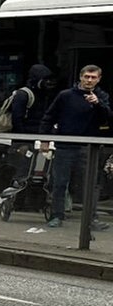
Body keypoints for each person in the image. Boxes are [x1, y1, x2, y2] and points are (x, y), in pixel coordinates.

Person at [38, 65, 110, 231]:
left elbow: (107, 118)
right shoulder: (65, 96)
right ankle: (57, 216)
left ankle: (91, 219)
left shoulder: (101, 96)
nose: (89, 80)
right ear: (81, 77)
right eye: (86, 77)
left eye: (93, 77)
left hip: (89, 148)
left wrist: (98, 104)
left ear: (99, 79)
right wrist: (45, 139)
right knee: (60, 183)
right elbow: (49, 116)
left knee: (90, 184)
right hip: (65, 145)